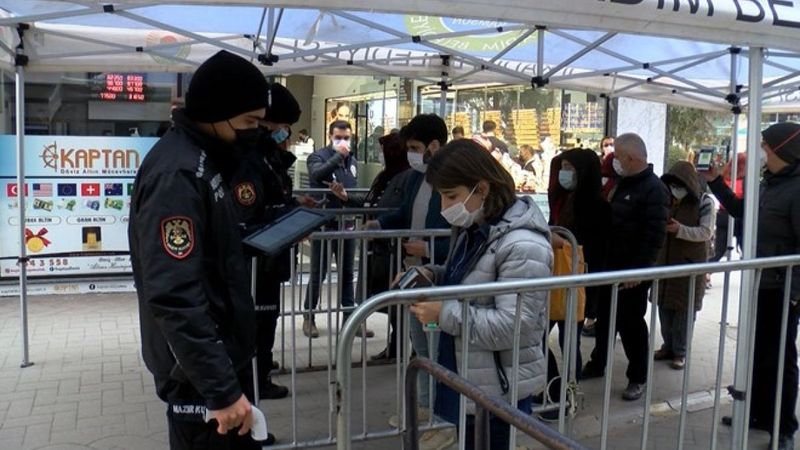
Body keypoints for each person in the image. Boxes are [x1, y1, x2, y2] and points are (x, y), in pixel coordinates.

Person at [129, 50, 268, 450]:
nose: (254, 131)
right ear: (215, 112)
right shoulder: (179, 175)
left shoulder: (203, 160)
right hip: (199, 377)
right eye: (248, 122)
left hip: (214, 362)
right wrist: (220, 390)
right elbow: (174, 294)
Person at [409, 139, 551, 449]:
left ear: (482, 189)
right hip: (470, 375)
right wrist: (434, 273)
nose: (445, 208)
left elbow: (514, 327)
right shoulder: (478, 227)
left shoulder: (524, 245)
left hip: (498, 388)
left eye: (451, 197)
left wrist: (442, 313)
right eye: (441, 198)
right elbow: (475, 280)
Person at [707, 122, 800, 450]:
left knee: (781, 359)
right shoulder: (768, 185)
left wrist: (795, 296)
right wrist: (716, 183)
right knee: (757, 352)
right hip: (760, 284)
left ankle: (784, 427)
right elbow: (742, 212)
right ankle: (758, 413)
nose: (762, 152)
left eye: (765, 146)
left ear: (782, 150)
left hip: (782, 288)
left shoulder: (796, 189)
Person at [364, 114, 451, 427]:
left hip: (438, 280)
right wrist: (381, 224)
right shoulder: (418, 177)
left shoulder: (453, 179)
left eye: (415, 147)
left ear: (434, 145)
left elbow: (462, 235)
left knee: (437, 350)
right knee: (423, 348)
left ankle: (440, 416)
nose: (411, 154)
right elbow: (405, 212)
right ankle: (425, 409)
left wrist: (430, 250)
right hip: (415, 277)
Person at [230, 83, 312, 407]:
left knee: (267, 319)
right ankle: (255, 379)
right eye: (283, 126)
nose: (287, 132)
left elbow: (271, 198)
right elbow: (250, 213)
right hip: (256, 260)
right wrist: (291, 214)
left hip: (269, 258)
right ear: (267, 123)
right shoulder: (251, 159)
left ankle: (261, 368)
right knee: (259, 321)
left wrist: (293, 204)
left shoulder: (267, 157)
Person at [582, 133, 670, 402]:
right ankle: (599, 363)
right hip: (612, 266)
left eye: (618, 157)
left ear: (632, 158)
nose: (614, 162)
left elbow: (654, 236)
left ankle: (638, 377)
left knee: (631, 325)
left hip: (633, 271)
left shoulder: (654, 190)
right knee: (606, 318)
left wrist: (639, 270)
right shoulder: (622, 183)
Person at [329, 133, 412, 360]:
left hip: (394, 250)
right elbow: (371, 202)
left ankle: (403, 346)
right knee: (388, 299)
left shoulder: (408, 177)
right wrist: (347, 198)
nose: (379, 155)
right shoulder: (385, 176)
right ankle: (395, 346)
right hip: (379, 250)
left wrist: (380, 225)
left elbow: (397, 211)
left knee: (398, 300)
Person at [545, 149, 612, 408]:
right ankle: (555, 386)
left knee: (568, 341)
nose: (564, 174)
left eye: (570, 169)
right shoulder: (559, 200)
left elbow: (599, 252)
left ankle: (568, 394)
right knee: (539, 338)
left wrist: (566, 245)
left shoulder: (599, 207)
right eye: (562, 167)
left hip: (579, 284)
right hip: (554, 280)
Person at [303, 120, 374, 339]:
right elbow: (317, 174)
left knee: (347, 273)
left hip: (347, 223)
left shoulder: (351, 161)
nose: (343, 141)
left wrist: (346, 197)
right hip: (324, 224)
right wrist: (338, 156)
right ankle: (309, 316)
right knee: (318, 272)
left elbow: (354, 192)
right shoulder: (319, 156)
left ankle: (350, 319)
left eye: (346, 137)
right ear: (329, 135)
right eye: (338, 137)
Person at [655, 161, 716, 370]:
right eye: (672, 184)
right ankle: (668, 346)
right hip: (666, 263)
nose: (675, 189)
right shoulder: (667, 200)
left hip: (690, 265)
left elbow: (705, 232)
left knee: (684, 311)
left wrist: (679, 229)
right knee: (664, 307)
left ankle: (680, 352)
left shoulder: (704, 202)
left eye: (679, 185)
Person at [710, 152, 745, 262]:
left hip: (722, 216)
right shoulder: (745, 182)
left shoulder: (724, 178)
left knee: (718, 252)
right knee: (745, 249)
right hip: (738, 220)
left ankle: (705, 273)